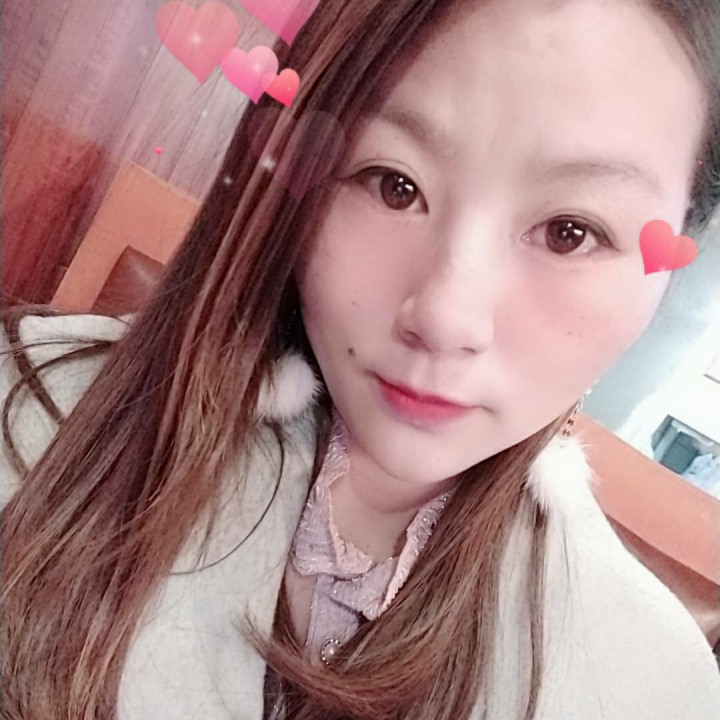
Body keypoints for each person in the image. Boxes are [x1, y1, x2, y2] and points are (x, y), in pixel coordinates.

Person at [2, 0, 720, 718]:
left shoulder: (653, 688)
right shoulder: (27, 420)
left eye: (570, 232)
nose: (445, 317)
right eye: (393, 185)